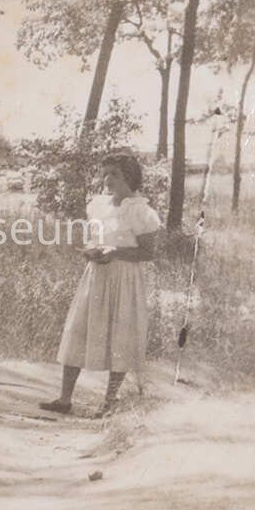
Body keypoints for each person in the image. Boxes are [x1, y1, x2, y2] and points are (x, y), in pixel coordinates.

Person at [39, 151, 161, 420]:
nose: (107, 179)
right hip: (96, 276)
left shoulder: (142, 212)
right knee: (79, 329)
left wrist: (114, 253)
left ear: (129, 176)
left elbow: (147, 252)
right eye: (105, 174)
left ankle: (109, 401)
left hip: (124, 279)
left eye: (114, 174)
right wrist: (91, 251)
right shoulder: (98, 206)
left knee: (120, 335)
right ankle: (64, 399)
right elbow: (96, 238)